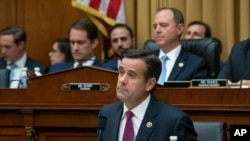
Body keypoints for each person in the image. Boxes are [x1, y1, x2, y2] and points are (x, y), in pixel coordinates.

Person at [97, 49, 197, 141]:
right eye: (121, 72)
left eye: (131, 75)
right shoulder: (107, 114)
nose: (122, 80)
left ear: (150, 84)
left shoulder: (174, 122)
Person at [152, 7, 209, 85]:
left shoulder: (196, 64)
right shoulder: (145, 61)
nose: (157, 30)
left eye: (163, 25)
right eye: (155, 26)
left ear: (179, 29)